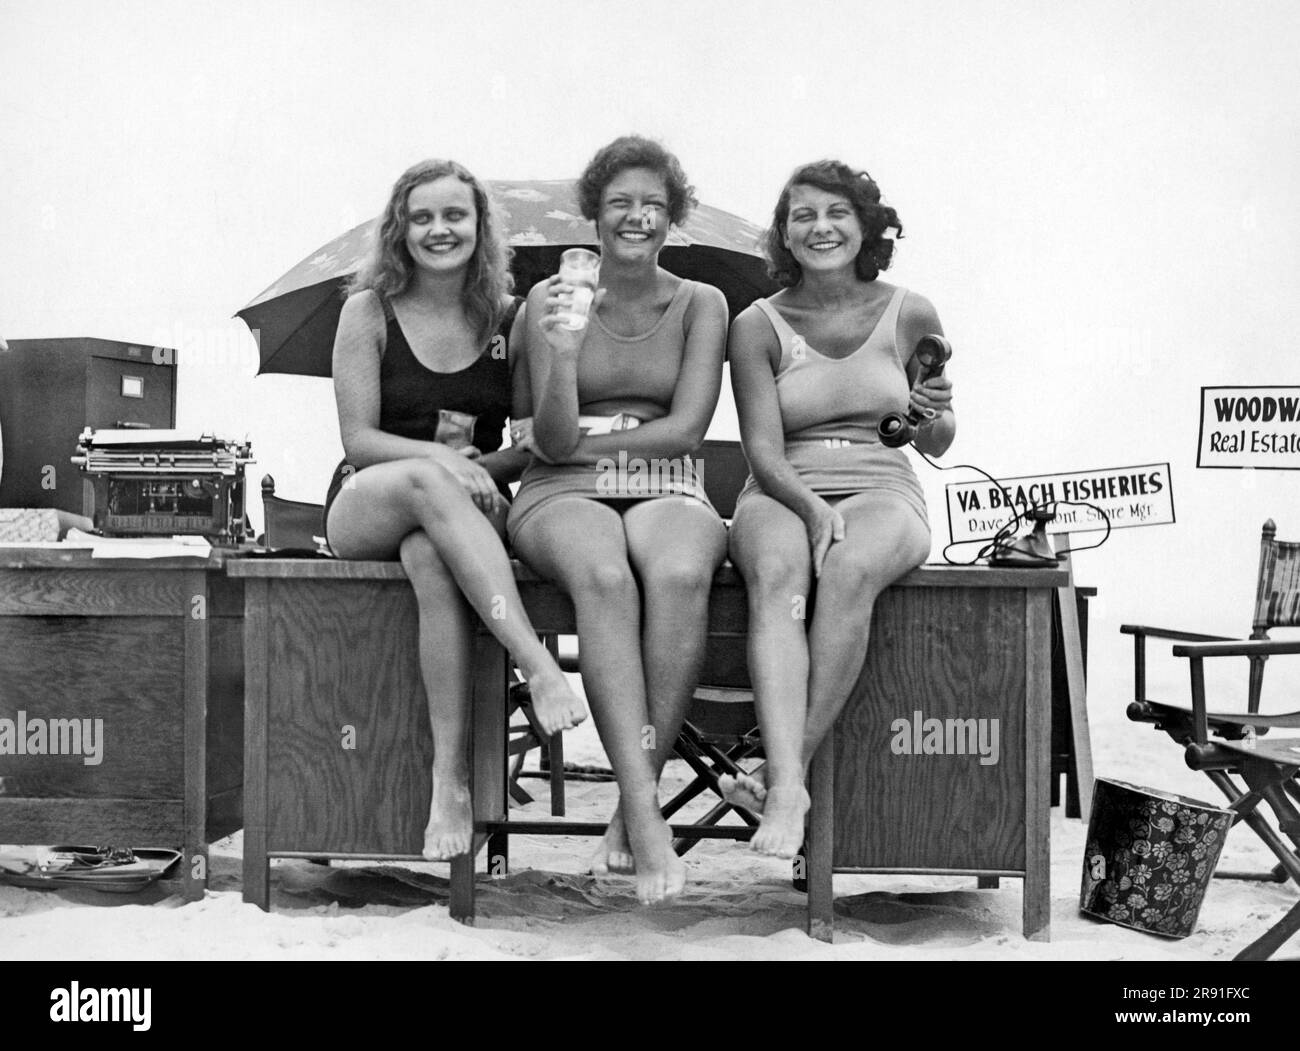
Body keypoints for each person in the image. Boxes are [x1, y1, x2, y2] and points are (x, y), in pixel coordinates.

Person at [325, 159, 587, 862]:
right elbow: (359, 439)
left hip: (469, 512)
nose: (439, 229)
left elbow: (534, 443)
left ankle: (450, 782)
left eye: (454, 216)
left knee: (432, 558)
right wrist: (440, 463)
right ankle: (536, 661)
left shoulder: (512, 317)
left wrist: (478, 470)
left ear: (479, 227)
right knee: (424, 490)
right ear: (399, 230)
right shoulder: (367, 311)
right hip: (370, 499)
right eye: (422, 217)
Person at [508, 136, 729, 904]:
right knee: (604, 574)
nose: (637, 217)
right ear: (593, 214)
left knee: (675, 568)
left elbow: (687, 430)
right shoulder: (547, 300)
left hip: (666, 478)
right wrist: (562, 356)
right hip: (559, 484)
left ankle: (633, 806)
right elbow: (554, 439)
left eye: (653, 205)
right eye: (620, 204)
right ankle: (645, 811)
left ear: (674, 217)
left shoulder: (705, 303)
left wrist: (604, 445)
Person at [722, 160, 956, 858]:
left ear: (866, 226)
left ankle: (782, 779)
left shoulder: (910, 311)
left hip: (884, 482)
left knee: (852, 569)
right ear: (784, 234)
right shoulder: (755, 324)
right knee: (778, 573)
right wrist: (811, 508)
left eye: (836, 213)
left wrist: (928, 415)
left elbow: (940, 442)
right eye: (803, 216)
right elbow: (762, 449)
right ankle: (789, 783)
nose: (820, 227)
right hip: (781, 485)